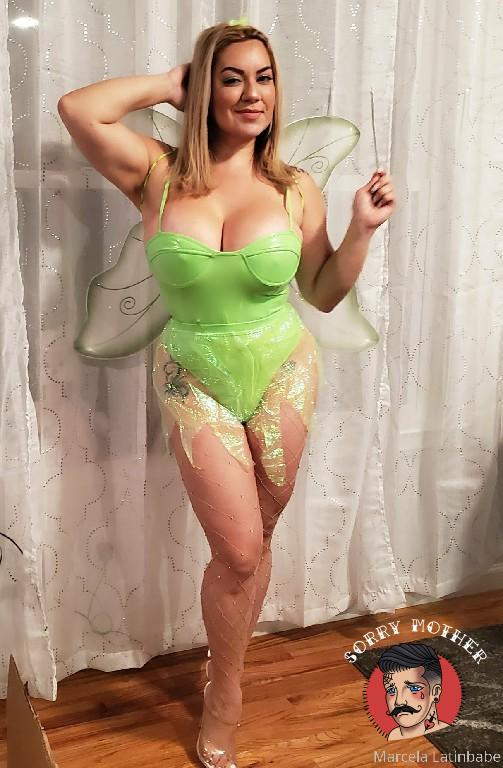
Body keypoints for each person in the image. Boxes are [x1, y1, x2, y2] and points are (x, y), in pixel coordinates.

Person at [58, 19, 395, 768]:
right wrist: (170, 85)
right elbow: (79, 108)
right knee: (238, 549)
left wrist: (361, 230)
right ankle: (225, 698)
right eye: (231, 77)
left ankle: (226, 672)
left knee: (254, 545)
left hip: (284, 371)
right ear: (204, 89)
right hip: (192, 373)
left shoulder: (293, 187)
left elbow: (322, 292)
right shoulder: (156, 173)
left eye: (263, 78)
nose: (251, 93)